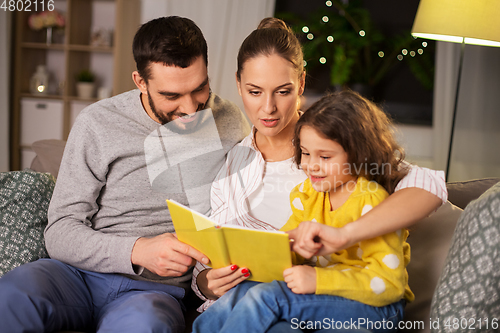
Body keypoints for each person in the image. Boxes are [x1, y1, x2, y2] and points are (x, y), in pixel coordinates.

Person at [0, 16, 250, 333]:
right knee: (11, 295)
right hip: (75, 275)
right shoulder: (98, 122)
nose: (189, 108)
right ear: (140, 82)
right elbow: (60, 230)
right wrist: (136, 250)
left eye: (199, 88)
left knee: (145, 326)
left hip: (154, 291)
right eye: (171, 96)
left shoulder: (229, 121)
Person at [192, 17, 447, 317]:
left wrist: (345, 234)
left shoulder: (334, 147)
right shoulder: (232, 161)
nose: (268, 108)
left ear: (301, 83)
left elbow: (430, 186)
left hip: (312, 304)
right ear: (238, 84)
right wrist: (207, 282)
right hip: (240, 307)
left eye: (283, 91)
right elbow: (206, 260)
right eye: (255, 91)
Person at [193, 90, 415, 333]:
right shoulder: (308, 194)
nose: (310, 165)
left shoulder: (371, 201)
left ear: (358, 154)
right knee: (245, 290)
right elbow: (287, 245)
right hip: (326, 298)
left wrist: (317, 280)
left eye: (325, 156)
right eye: (306, 153)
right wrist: (271, 250)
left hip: (376, 307)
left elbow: (389, 284)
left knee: (270, 297)